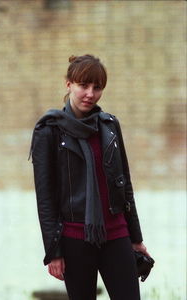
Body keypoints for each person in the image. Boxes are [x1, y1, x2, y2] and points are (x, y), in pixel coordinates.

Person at [30, 54, 150, 300]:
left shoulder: (109, 125)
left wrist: (136, 239)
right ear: (69, 84)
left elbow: (124, 184)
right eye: (83, 85)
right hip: (75, 240)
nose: (90, 94)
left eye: (97, 87)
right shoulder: (49, 131)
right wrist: (53, 252)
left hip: (116, 234)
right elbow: (46, 197)